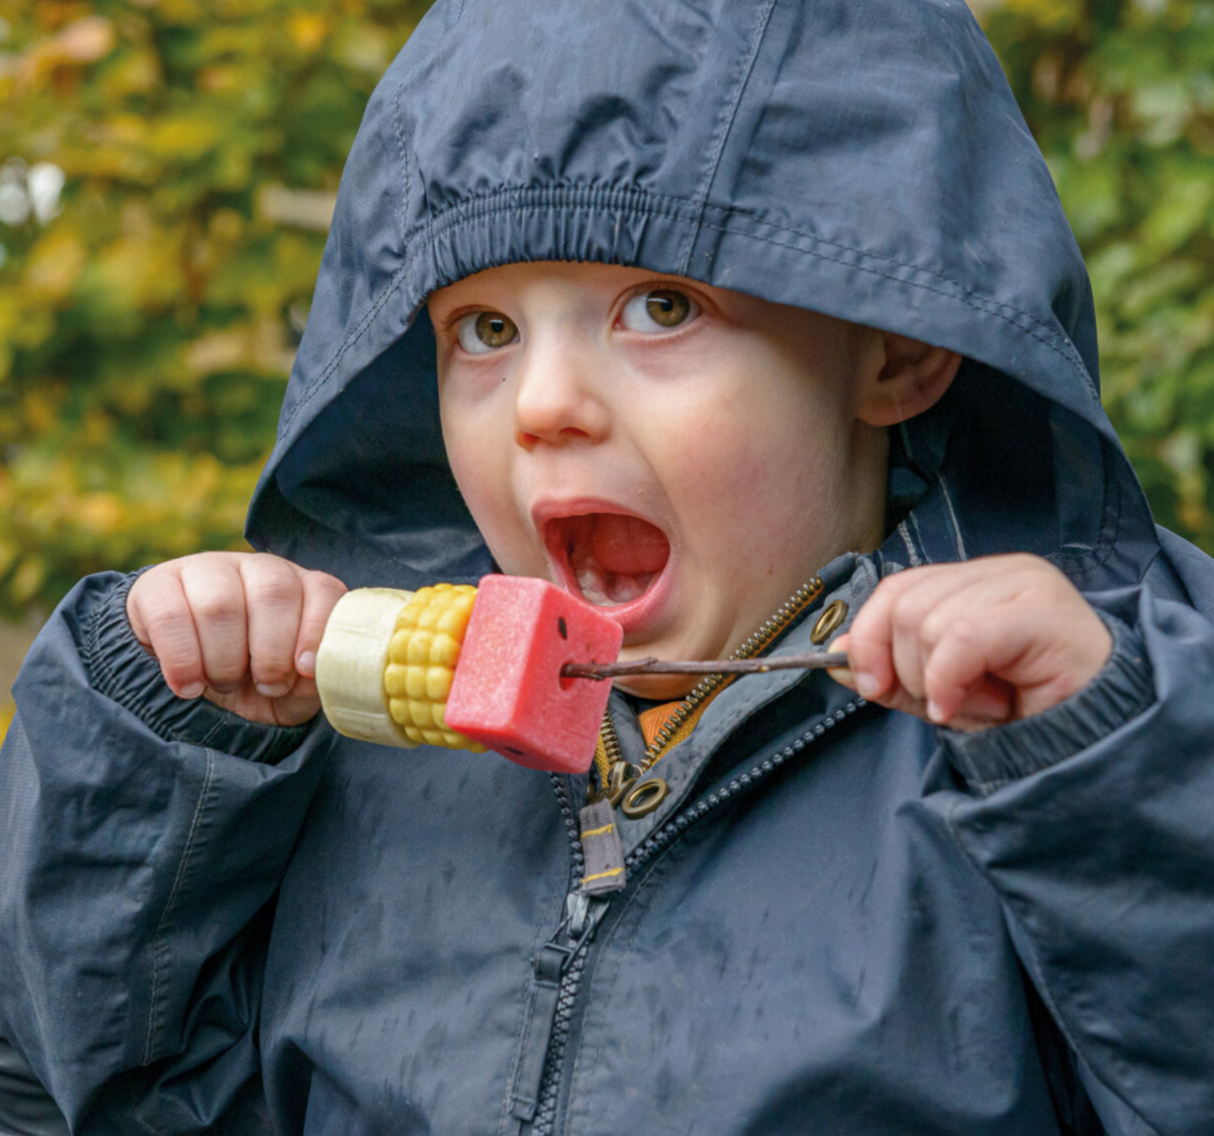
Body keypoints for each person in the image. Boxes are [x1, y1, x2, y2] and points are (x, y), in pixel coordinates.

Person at [2, 0, 1212, 1132]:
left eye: (660, 307)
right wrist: (159, 777)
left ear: (892, 353)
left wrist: (1106, 774)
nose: (542, 403)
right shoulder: (334, 761)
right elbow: (66, 1091)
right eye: (483, 331)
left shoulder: (1080, 712)